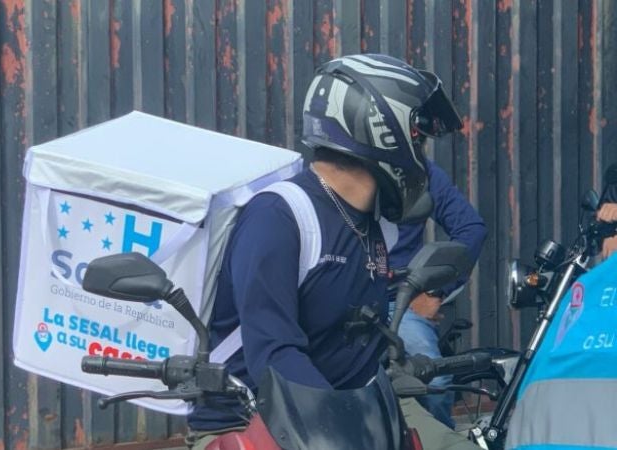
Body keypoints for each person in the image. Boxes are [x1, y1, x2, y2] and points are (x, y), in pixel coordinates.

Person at [187, 54, 479, 450]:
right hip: (254, 419)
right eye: (418, 137)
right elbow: (274, 353)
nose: (421, 154)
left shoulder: (372, 224)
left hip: (360, 408)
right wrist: (348, 428)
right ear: (381, 129)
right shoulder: (279, 217)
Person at [383, 160, 487, 430]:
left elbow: (471, 229)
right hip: (346, 299)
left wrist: (434, 291)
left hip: (400, 301)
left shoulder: (420, 171)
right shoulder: (341, 171)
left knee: (435, 381)